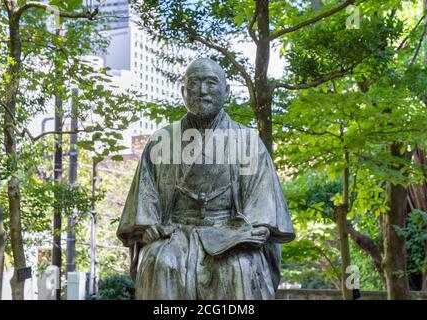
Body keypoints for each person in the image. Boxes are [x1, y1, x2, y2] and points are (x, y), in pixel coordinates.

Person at [117, 58, 294, 299]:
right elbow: (145, 202)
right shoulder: (161, 141)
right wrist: (148, 228)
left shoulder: (248, 141)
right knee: (161, 262)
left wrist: (257, 228)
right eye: (194, 83)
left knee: (240, 265)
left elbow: (262, 206)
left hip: (229, 233)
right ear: (183, 91)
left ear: (226, 92)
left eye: (211, 82)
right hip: (175, 233)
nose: (202, 90)